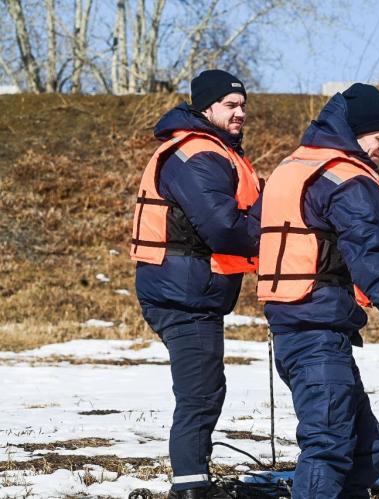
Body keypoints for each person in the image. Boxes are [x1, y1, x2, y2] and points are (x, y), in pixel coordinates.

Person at [254, 83, 379, 498]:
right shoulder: (347, 180)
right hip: (315, 330)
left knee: (366, 448)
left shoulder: (293, 167)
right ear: (354, 132)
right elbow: (370, 257)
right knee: (329, 446)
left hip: (301, 325)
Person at [130, 69, 261, 499]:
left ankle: (193, 483)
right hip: (184, 293)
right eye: (230, 105)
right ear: (206, 108)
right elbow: (224, 229)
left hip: (191, 289)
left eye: (243, 105)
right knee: (200, 393)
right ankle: (190, 489)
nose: (240, 112)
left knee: (204, 389)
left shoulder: (210, 150)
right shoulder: (198, 154)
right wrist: (270, 218)